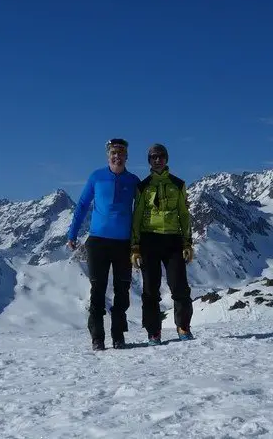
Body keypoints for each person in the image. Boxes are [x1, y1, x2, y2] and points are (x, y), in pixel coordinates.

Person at [66, 138, 140, 351]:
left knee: (122, 290)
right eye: (113, 153)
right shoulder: (97, 177)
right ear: (108, 156)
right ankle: (97, 338)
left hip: (123, 244)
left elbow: (143, 211)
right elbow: (82, 205)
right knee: (97, 289)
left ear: (126, 156)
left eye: (121, 153)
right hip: (97, 242)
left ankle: (118, 336)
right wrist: (72, 233)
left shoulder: (134, 181)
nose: (117, 156)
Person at [130, 143, 195, 345]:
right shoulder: (143, 186)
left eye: (161, 156)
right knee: (150, 289)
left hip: (173, 239)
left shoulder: (178, 184)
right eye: (153, 157)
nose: (157, 160)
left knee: (180, 287)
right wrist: (135, 246)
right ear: (149, 161)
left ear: (167, 159)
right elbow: (137, 216)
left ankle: (183, 326)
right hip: (149, 239)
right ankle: (153, 332)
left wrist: (187, 243)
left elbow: (184, 215)